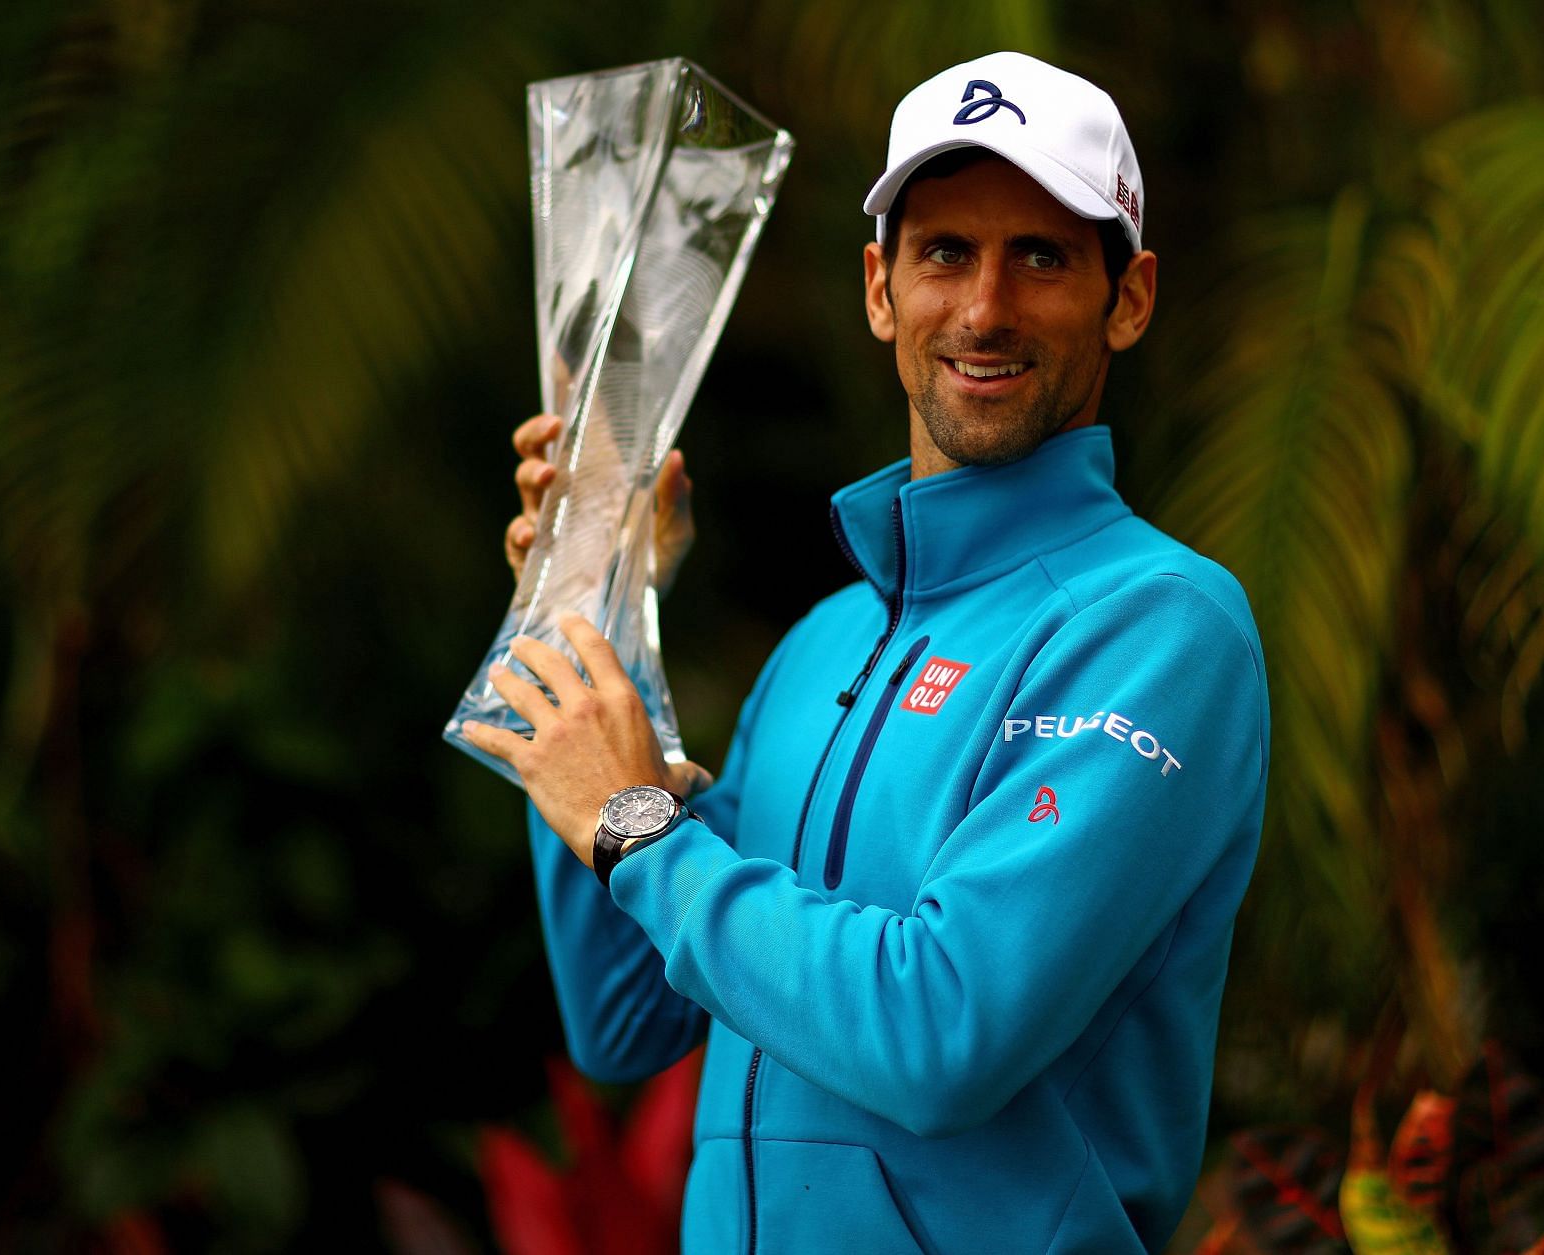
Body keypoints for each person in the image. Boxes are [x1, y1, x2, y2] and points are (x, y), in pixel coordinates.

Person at [462, 50, 1269, 1254]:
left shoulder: (1161, 625)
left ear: (1130, 296)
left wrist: (635, 824)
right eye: (944, 251)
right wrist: (598, 590)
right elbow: (628, 1017)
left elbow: (944, 1031)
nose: (984, 308)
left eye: (1040, 256)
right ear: (882, 288)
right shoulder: (825, 642)